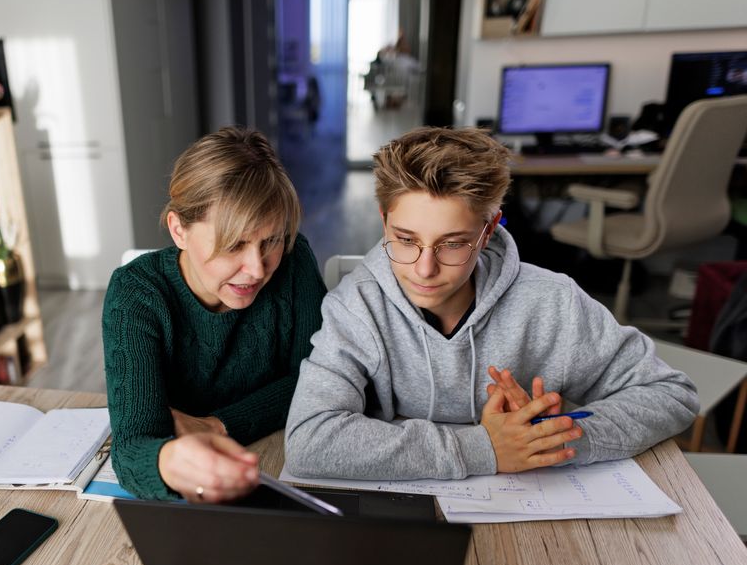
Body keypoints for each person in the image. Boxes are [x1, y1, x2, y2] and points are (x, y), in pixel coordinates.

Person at [284, 127, 698, 480]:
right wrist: (486, 449)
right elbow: (310, 440)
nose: (424, 268)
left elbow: (672, 395)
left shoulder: (553, 302)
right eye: (406, 239)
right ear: (383, 219)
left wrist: (541, 440)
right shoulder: (355, 307)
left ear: (487, 232)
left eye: (453, 244)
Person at [103, 126, 326, 501]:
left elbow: (323, 381)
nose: (257, 268)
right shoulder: (137, 293)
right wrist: (169, 460)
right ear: (179, 231)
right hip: (201, 487)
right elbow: (131, 451)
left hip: (280, 458)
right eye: (234, 244)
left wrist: (218, 425)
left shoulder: (293, 259)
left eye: (270, 240)